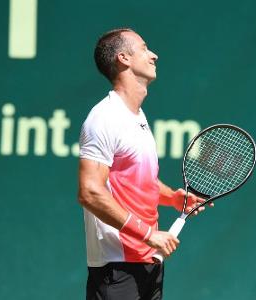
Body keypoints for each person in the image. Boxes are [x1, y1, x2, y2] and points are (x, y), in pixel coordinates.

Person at [77, 28, 207, 300]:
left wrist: (171, 197)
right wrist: (148, 234)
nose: (154, 55)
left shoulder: (137, 116)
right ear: (123, 58)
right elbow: (90, 192)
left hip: (149, 263)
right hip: (117, 267)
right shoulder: (104, 118)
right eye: (145, 48)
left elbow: (135, 178)